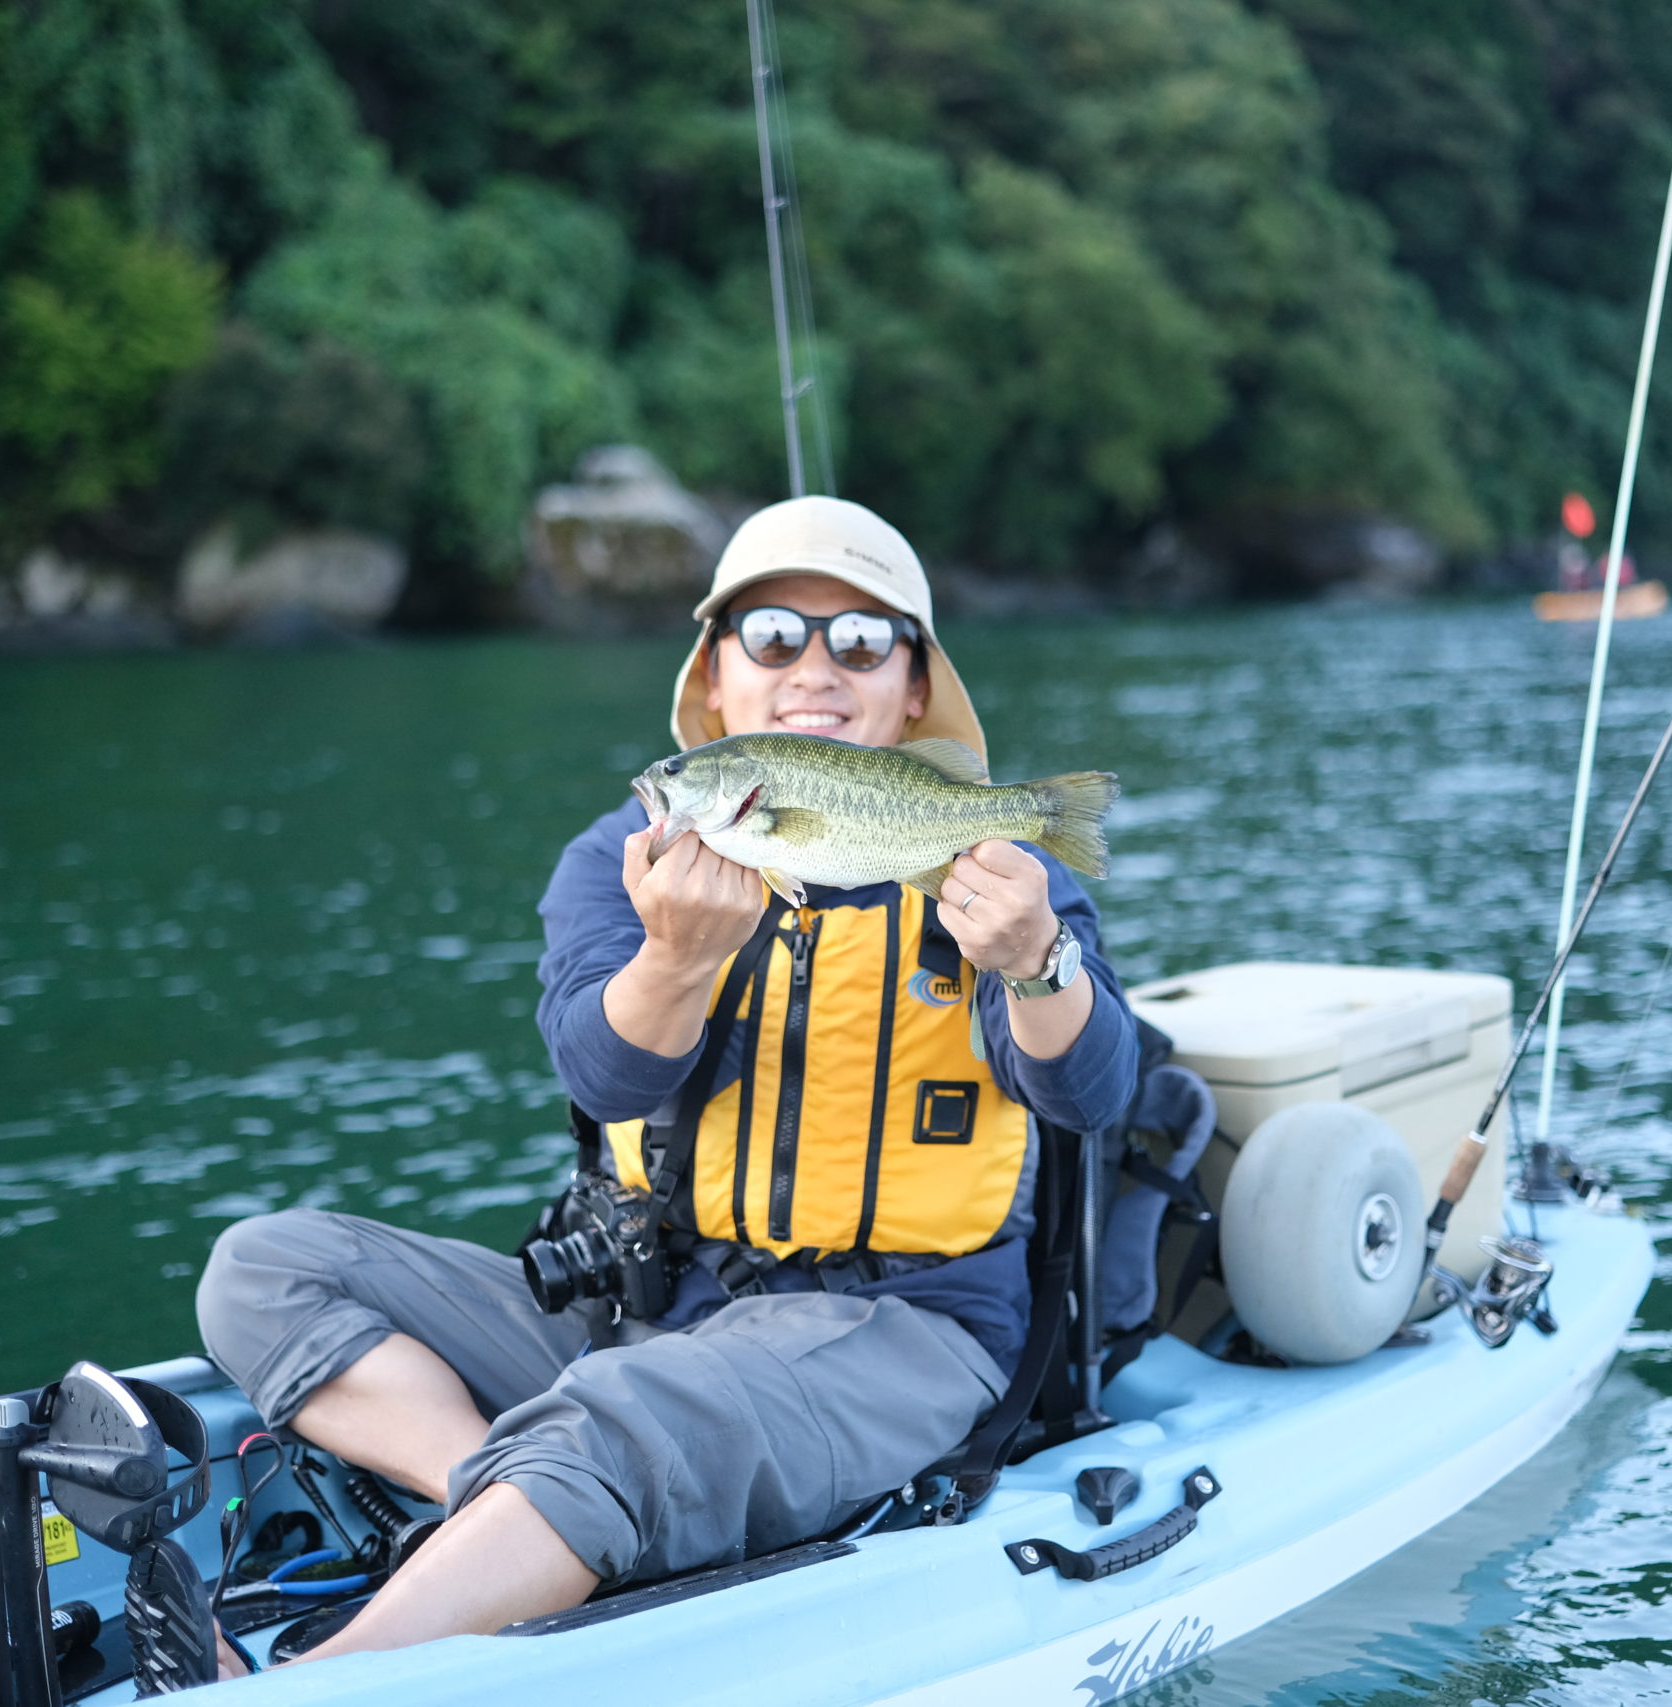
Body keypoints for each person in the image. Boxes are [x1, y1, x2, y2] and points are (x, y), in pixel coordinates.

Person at [195, 496, 1138, 1662]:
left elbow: (1090, 1096)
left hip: (901, 1328)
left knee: (621, 1416)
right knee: (263, 1270)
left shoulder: (992, 867)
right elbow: (603, 1075)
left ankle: (318, 1683)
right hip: (659, 1312)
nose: (814, 668)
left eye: (859, 642)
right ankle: (506, 1508)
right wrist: (679, 954)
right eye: (772, 634)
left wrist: (1038, 964)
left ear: (912, 691)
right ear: (715, 681)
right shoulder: (623, 860)